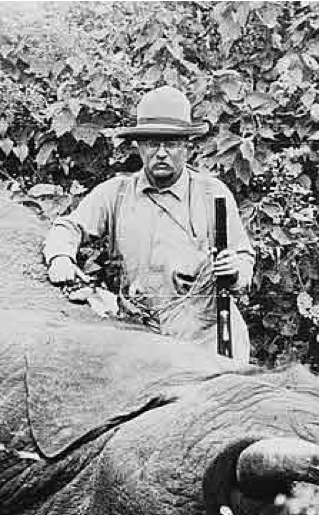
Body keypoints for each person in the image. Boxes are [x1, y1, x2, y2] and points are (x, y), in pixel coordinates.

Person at [43, 86, 255, 362]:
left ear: (187, 147)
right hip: (142, 340)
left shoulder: (212, 194)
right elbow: (69, 227)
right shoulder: (116, 193)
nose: (162, 153)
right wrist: (60, 258)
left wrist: (236, 269)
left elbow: (244, 260)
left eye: (172, 143)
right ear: (140, 147)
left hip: (207, 337)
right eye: (153, 143)